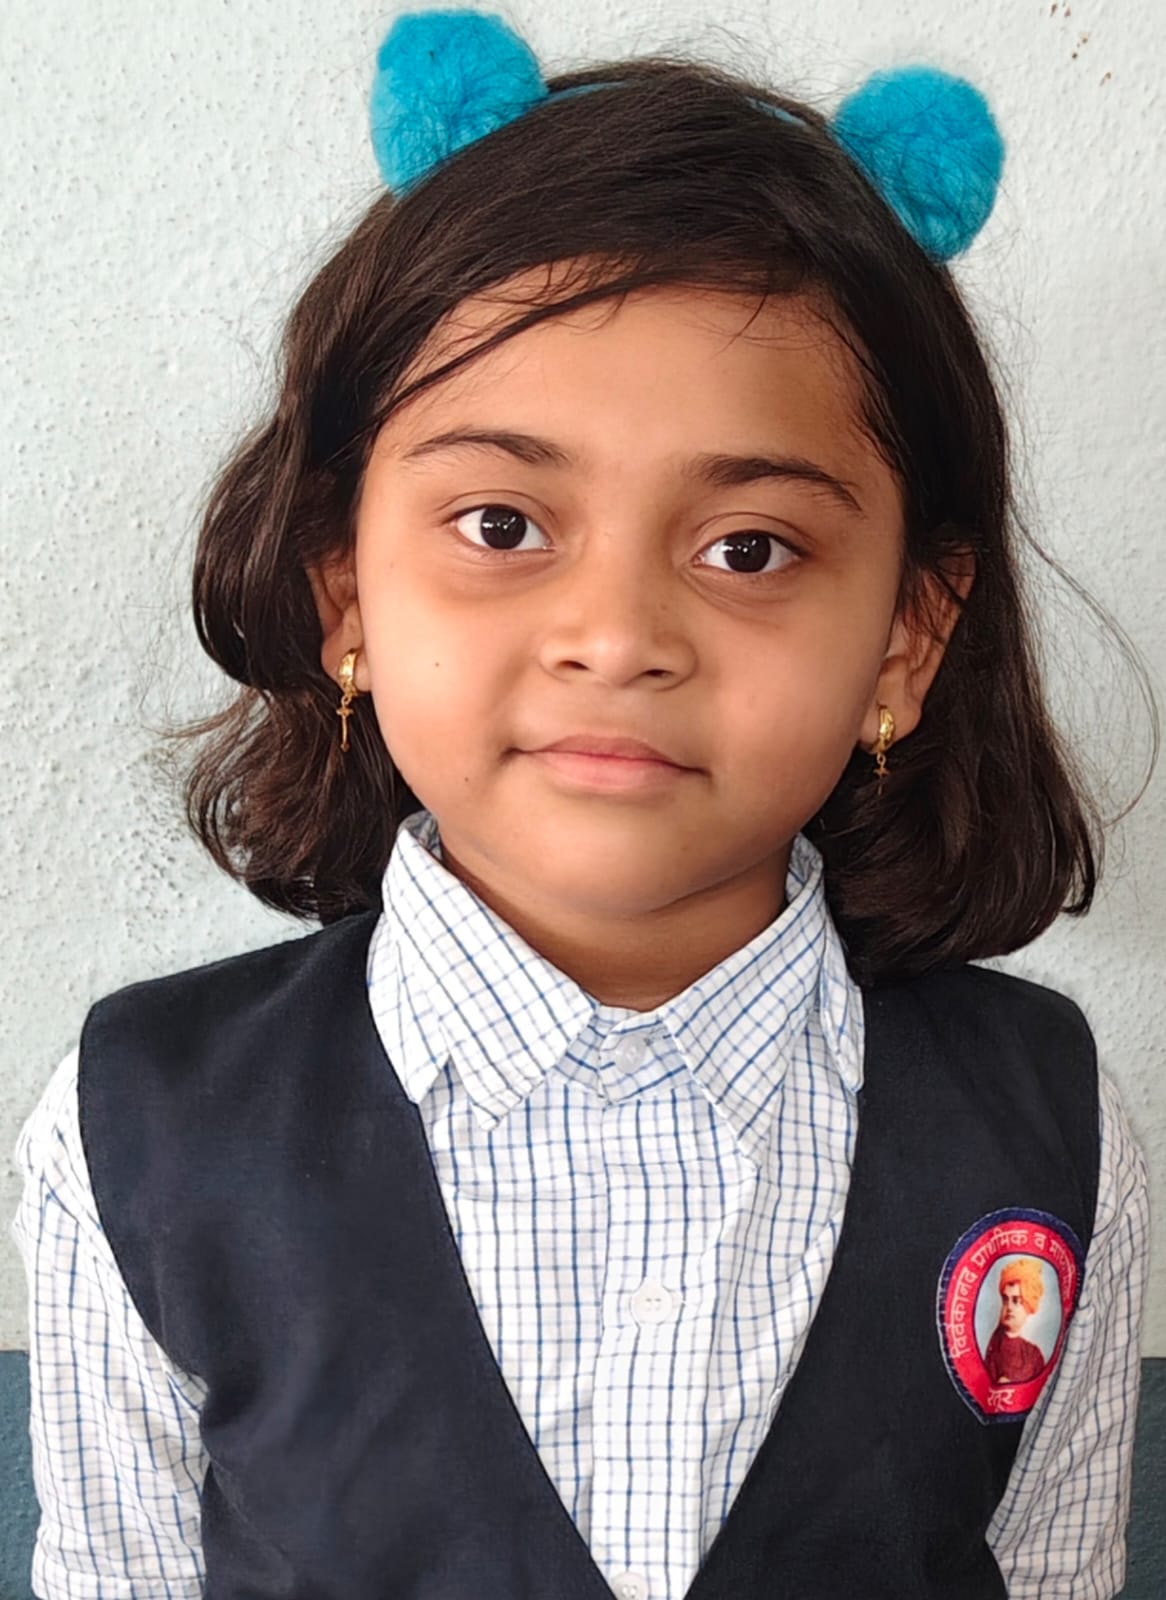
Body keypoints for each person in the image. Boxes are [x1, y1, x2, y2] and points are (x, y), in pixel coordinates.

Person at [11, 8, 1153, 1599]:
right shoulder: (137, 1127)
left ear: (906, 636)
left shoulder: (1052, 1130)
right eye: (501, 523)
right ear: (344, 592)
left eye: (748, 549)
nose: (615, 637)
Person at [984, 1259, 1049, 1387]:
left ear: (1028, 1307)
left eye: (1016, 1301)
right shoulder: (992, 1348)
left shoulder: (1034, 1354)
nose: (1009, 1307)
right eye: (1005, 1300)